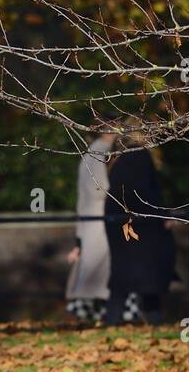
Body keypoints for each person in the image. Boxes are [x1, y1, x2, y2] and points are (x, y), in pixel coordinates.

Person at [103, 130, 176, 325]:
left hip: (120, 222)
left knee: (122, 279)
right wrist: (162, 215)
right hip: (142, 226)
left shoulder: (117, 156)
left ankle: (113, 321)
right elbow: (145, 192)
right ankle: (154, 321)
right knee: (148, 277)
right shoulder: (139, 156)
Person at [65, 131, 115, 323]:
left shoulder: (90, 153)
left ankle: (91, 314)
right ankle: (96, 314)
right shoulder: (100, 153)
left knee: (92, 269)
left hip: (90, 219)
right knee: (99, 272)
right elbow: (101, 187)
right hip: (100, 218)